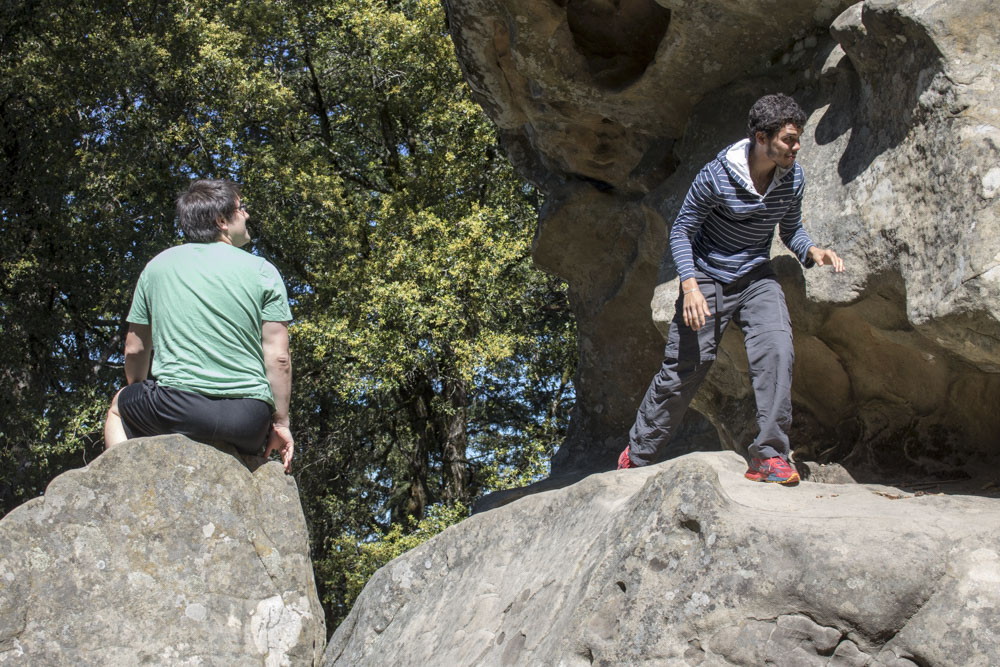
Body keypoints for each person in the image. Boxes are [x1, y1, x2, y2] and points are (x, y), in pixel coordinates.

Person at [618, 94, 844, 484]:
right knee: (685, 369)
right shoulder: (717, 175)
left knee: (778, 350)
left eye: (798, 139)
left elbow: (791, 230)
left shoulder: (793, 178)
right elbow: (682, 231)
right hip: (707, 276)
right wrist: (690, 286)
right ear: (762, 138)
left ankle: (769, 456)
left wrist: (812, 251)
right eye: (789, 139)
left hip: (756, 277)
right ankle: (637, 455)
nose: (796, 147)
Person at [103, 179, 294, 473]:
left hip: (176, 409)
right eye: (242, 208)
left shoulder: (158, 266)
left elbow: (135, 349)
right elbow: (279, 357)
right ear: (221, 221)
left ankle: (125, 483)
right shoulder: (263, 271)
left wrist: (139, 388)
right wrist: (280, 423)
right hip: (248, 420)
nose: (247, 215)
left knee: (119, 407)